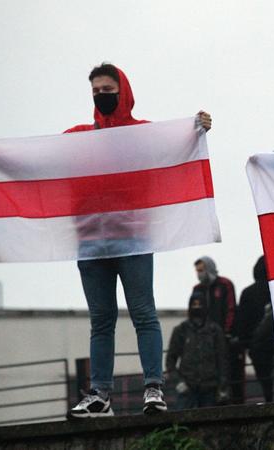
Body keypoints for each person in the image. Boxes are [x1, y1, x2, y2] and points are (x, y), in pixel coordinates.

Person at [67, 63, 212, 418]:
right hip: (91, 242)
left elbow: (174, 142)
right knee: (101, 321)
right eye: (96, 92)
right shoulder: (78, 137)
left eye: (107, 90)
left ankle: (153, 388)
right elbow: (38, 161)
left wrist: (196, 127)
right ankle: (100, 394)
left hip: (132, 238)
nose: (102, 96)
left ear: (123, 91)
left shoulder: (142, 134)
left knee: (143, 314)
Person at [192, 256, 244, 404]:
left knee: (228, 372)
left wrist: (226, 332)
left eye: (201, 270)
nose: (199, 274)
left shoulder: (225, 285)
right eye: (197, 271)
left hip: (223, 338)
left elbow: (230, 308)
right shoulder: (197, 289)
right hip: (205, 340)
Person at [166, 293, 229, 410]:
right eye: (194, 304)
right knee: (181, 422)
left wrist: (222, 386)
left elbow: (222, 359)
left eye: (200, 304)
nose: (197, 307)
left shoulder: (215, 331)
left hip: (209, 388)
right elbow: (170, 360)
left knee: (209, 424)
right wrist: (178, 382)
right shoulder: (181, 330)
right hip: (186, 387)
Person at [236, 256, 274, 402]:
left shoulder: (248, 293)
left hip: (257, 348)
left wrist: (246, 344)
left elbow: (242, 323)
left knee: (266, 385)